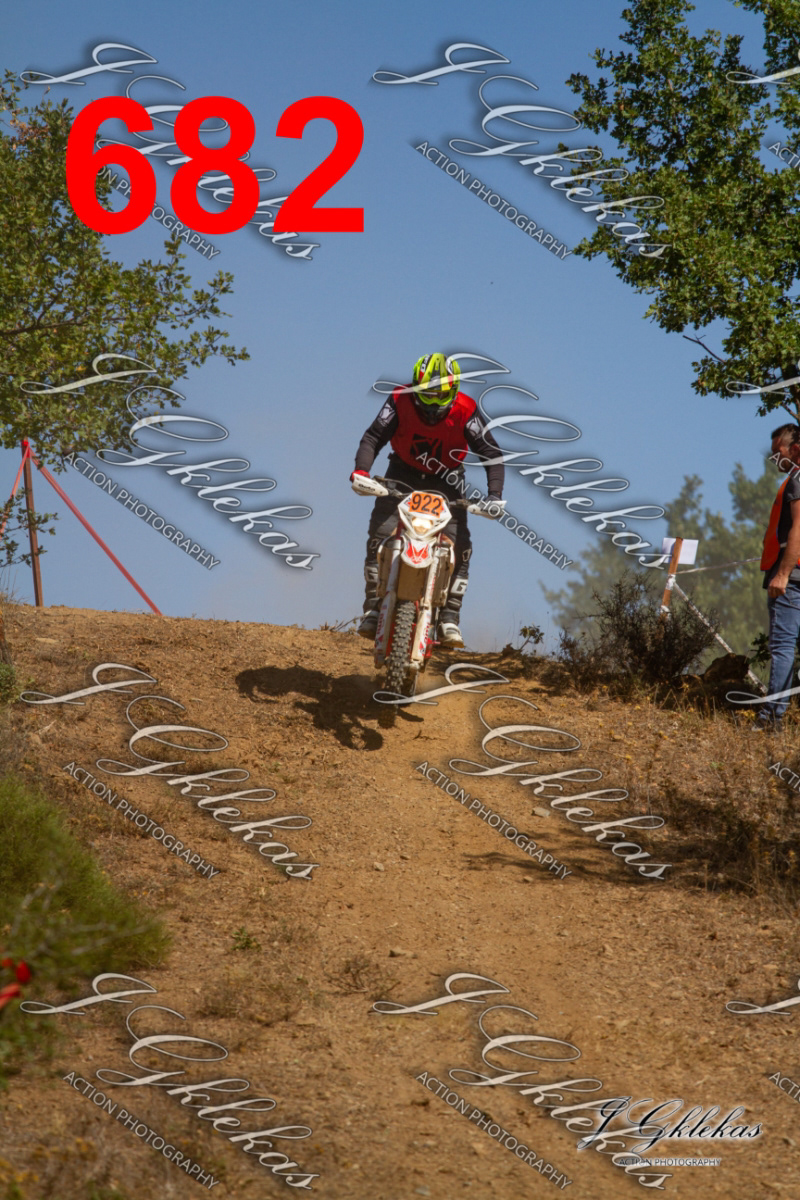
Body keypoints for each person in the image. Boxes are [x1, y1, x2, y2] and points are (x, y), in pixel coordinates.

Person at [351, 353, 505, 648]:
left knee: (460, 545)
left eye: (440, 396)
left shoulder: (466, 410)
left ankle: (449, 617)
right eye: (426, 395)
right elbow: (373, 437)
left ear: (454, 390)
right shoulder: (399, 399)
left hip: (447, 480)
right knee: (380, 533)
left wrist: (494, 496)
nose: (432, 404)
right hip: (401, 473)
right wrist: (361, 471)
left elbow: (491, 453)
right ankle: (373, 607)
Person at [756, 423, 800, 730]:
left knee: (783, 647)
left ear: (795, 449)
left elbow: (798, 528)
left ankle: (770, 719)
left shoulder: (796, 480)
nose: (774, 459)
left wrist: (782, 574)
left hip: (792, 577)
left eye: (777, 452)